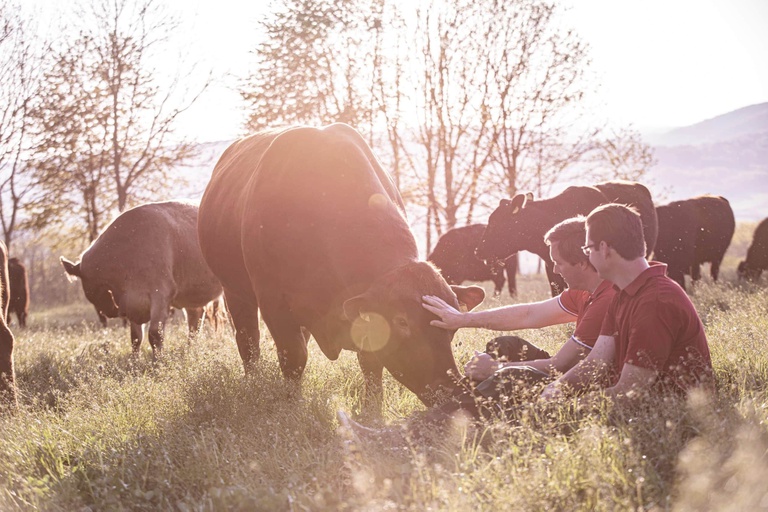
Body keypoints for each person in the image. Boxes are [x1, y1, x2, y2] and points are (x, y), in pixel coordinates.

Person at [421, 216, 616, 411]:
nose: (555, 270)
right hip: (570, 370)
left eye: (559, 263)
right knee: (505, 346)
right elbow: (529, 314)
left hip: (583, 385)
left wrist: (494, 369)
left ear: (581, 263)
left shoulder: (605, 300)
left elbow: (561, 365)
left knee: (508, 376)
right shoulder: (584, 291)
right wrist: (462, 319)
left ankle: (446, 418)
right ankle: (459, 402)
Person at [540, 204, 714, 403]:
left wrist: (560, 409)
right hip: (638, 407)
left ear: (604, 249)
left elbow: (629, 393)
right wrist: (555, 390)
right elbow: (596, 362)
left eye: (587, 248)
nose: (586, 256)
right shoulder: (623, 292)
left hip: (668, 417)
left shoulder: (656, 302)